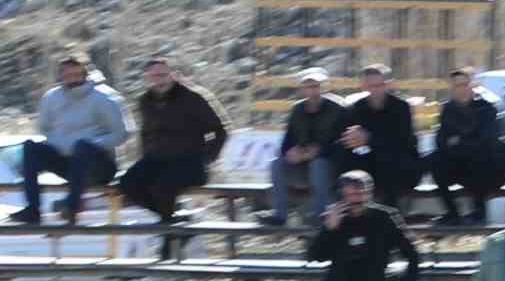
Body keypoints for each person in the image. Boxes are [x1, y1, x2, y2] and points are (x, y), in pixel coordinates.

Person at [9, 51, 129, 226]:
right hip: (68, 164)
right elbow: (44, 128)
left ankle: (71, 208)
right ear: (61, 74)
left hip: (99, 166)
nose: (71, 77)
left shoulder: (105, 97)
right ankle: (33, 210)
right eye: (67, 73)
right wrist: (60, 144)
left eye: (76, 73)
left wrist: (91, 144)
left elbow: (122, 133)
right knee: (31, 147)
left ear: (85, 73)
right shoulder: (51, 98)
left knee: (82, 146)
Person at [118, 57, 229, 223]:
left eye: (163, 75)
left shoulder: (192, 99)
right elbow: (146, 134)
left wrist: (207, 158)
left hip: (189, 163)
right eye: (155, 76)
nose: (160, 80)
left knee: (162, 186)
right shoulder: (145, 101)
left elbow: (219, 131)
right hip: (156, 160)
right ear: (148, 78)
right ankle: (171, 219)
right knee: (127, 183)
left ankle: (169, 229)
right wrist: (145, 157)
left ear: (172, 75)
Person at [256, 69, 346, 227]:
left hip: (330, 168)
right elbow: (286, 142)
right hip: (302, 167)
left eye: (316, 86)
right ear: (303, 89)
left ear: (323, 87)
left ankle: (321, 214)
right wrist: (290, 153)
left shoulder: (338, 109)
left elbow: (342, 143)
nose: (312, 90)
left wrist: (317, 152)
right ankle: (280, 215)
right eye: (308, 86)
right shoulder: (297, 110)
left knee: (319, 164)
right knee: (276, 163)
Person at [427, 67, 505, 225]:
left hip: (488, 167)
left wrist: (457, 141)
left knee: (479, 158)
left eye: (465, 84)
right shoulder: (448, 109)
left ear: (472, 85)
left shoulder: (486, 108)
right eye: (457, 86)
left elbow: (487, 140)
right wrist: (461, 141)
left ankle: (479, 212)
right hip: (459, 162)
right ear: (452, 89)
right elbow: (441, 141)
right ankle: (452, 213)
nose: (462, 89)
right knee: (435, 160)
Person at [338, 64, 422, 209]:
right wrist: (350, 140)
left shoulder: (401, 107)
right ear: (364, 86)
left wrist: (368, 139)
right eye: (371, 85)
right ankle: (348, 209)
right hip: (370, 159)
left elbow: (402, 142)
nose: (376, 89)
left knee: (387, 158)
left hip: (402, 164)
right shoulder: (357, 108)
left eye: (380, 85)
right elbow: (347, 137)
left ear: (389, 84)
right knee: (343, 156)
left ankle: (391, 213)